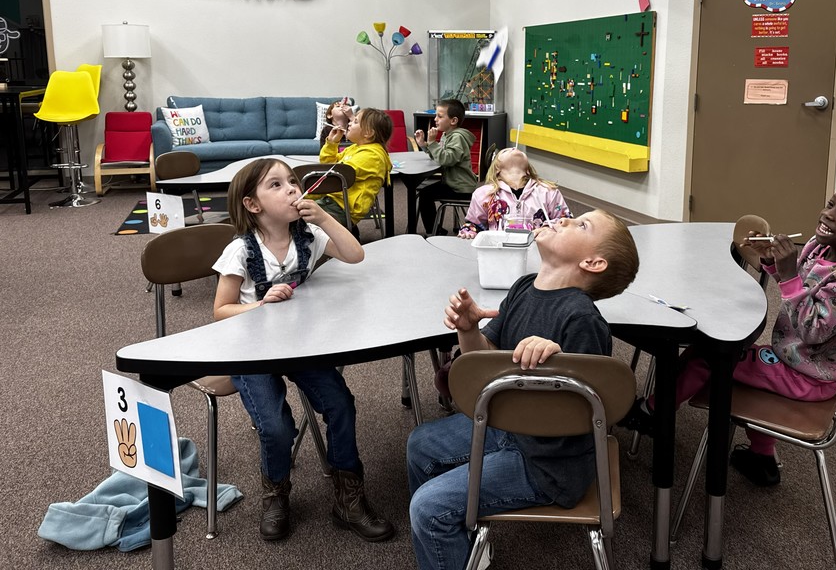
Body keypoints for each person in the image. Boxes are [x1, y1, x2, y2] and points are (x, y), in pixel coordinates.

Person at [623, 160, 836, 486]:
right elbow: (795, 285)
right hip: (796, 359)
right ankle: (762, 458)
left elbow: (812, 330)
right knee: (734, 356)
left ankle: (653, 413)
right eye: (831, 204)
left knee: (709, 354)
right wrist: (772, 261)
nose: (828, 214)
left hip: (806, 375)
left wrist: (788, 274)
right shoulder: (820, 247)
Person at [407, 209, 640, 570]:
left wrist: (557, 361)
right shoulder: (522, 287)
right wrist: (468, 329)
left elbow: (590, 411)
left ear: (593, 263)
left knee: (428, 508)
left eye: (582, 224)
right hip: (508, 429)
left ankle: (449, 534)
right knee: (420, 445)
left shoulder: (582, 320)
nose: (565, 219)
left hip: (549, 465)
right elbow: (486, 362)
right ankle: (463, 549)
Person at [212, 158, 395, 543]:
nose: (292, 189)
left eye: (292, 182)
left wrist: (325, 218)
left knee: (340, 404)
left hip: (300, 343)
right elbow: (221, 310)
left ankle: (348, 498)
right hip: (251, 350)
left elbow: (356, 255)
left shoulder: (309, 234)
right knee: (276, 427)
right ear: (253, 205)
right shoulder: (240, 250)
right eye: (276, 185)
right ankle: (275, 494)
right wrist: (260, 305)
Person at [457, 147, 573, 239]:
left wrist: (547, 228)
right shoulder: (484, 194)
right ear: (497, 169)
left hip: (538, 249)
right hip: (499, 249)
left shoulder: (547, 191)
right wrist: (468, 230)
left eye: (518, 150)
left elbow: (566, 220)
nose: (513, 149)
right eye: (505, 151)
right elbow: (475, 224)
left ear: (527, 169)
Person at [318, 106, 393, 240]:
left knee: (293, 217)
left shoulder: (372, 155)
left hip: (341, 208)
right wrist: (332, 143)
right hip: (332, 200)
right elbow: (327, 166)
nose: (349, 123)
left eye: (355, 121)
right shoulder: (355, 148)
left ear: (368, 133)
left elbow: (336, 176)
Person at [414, 98, 477, 234]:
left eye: (440, 116)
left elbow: (446, 159)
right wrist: (424, 145)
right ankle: (435, 229)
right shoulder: (447, 135)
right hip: (453, 182)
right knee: (425, 192)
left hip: (460, 187)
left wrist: (432, 143)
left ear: (453, 121)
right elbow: (439, 156)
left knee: (425, 195)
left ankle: (435, 232)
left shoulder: (457, 137)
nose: (435, 119)